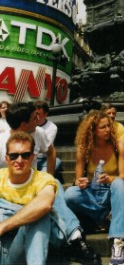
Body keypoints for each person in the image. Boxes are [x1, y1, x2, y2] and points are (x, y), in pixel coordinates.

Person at [2, 102, 101, 265]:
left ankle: (75, 238)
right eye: (35, 118)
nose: (40, 120)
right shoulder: (1, 143)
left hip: (34, 190)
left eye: (26, 155)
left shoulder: (38, 132)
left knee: (52, 185)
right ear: (23, 124)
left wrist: (47, 177)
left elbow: (50, 151)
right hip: (10, 198)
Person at [64, 110, 124, 265]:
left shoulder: (118, 145)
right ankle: (104, 217)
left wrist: (110, 179)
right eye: (103, 127)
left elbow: (123, 177)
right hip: (92, 192)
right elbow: (77, 179)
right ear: (92, 130)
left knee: (119, 183)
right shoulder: (84, 148)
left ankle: (118, 241)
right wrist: (81, 182)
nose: (108, 129)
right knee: (69, 194)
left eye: (108, 126)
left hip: (111, 192)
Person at [0, 131, 57, 265]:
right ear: (7, 158)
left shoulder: (44, 179)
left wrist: (3, 226)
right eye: (14, 156)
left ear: (32, 158)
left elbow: (44, 204)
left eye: (25, 155)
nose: (19, 161)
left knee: (39, 214)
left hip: (20, 248)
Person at [35, 100, 63, 181]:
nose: (36, 116)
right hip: (31, 158)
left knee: (57, 161)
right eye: (34, 114)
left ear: (45, 114)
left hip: (45, 158)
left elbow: (46, 147)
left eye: (38, 114)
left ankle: (42, 179)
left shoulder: (52, 127)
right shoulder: (29, 124)